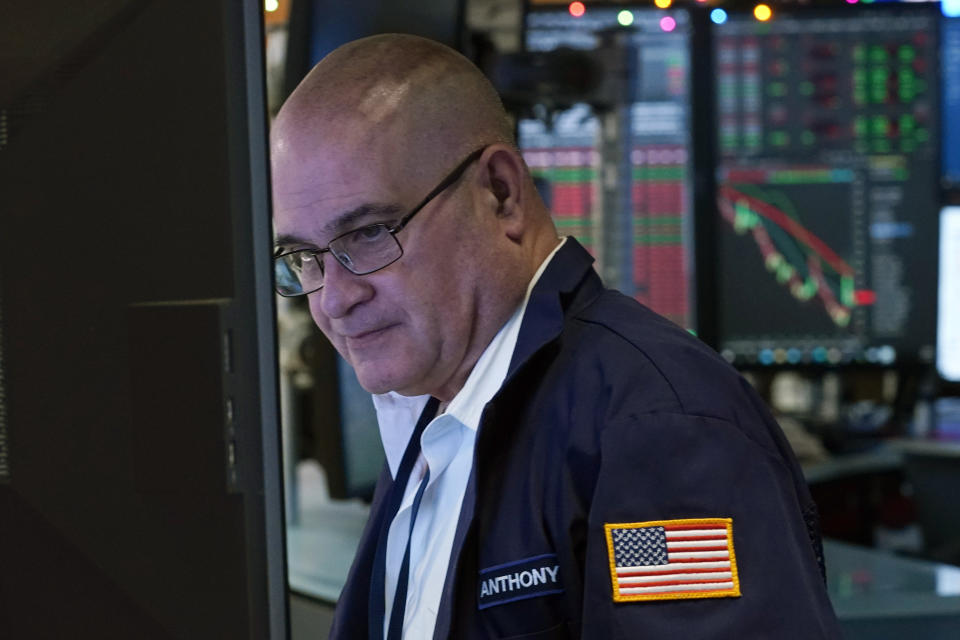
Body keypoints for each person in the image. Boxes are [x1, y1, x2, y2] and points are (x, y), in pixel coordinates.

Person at [271, 34, 841, 640]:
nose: (332, 298)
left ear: (501, 193)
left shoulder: (655, 426)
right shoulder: (434, 412)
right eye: (304, 256)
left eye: (368, 233)